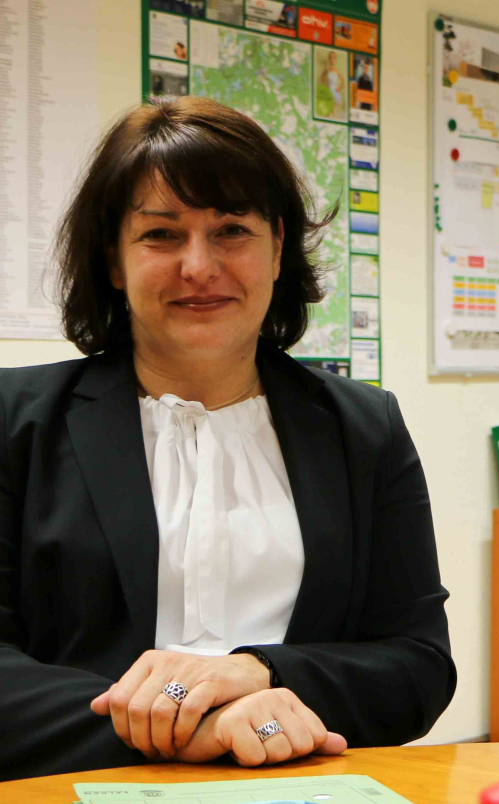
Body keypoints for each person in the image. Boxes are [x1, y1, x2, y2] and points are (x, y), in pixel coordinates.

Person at [0, 96, 455, 780]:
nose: (198, 265)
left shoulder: (366, 429)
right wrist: (190, 727)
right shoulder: (15, 422)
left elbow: (418, 664)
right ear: (114, 260)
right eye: (161, 234)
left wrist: (260, 673)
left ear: (277, 249)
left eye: (232, 230)